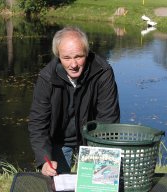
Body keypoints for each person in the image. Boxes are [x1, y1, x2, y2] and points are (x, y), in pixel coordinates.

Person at [28, 26, 120, 176]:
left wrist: (101, 159)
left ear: (87, 52)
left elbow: (108, 119)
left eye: (79, 56)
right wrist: (44, 160)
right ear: (58, 55)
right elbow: (38, 123)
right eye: (66, 58)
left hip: (94, 140)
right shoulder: (46, 77)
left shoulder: (103, 72)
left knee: (99, 185)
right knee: (58, 184)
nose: (73, 64)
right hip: (59, 141)